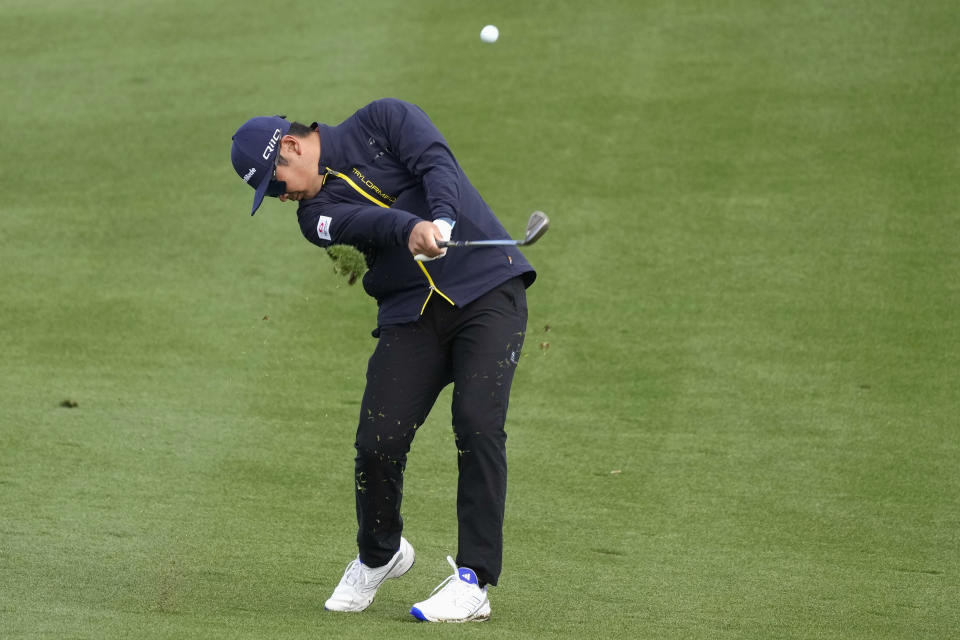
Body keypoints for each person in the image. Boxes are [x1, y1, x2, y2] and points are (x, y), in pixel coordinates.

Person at [230, 98, 536, 623]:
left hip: (488, 290)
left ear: (292, 146)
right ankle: (381, 553)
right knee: (378, 441)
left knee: (478, 424)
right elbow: (369, 221)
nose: (281, 198)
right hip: (409, 315)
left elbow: (437, 163)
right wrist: (412, 229)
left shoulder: (384, 119)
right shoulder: (313, 216)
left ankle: (474, 580)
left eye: (275, 185)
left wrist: (440, 217)